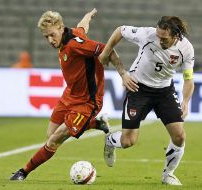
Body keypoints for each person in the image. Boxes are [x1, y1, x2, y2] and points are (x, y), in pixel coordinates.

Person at [10, 8, 120, 180]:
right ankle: (96, 124)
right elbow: (82, 27)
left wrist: (123, 73)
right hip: (69, 95)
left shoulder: (74, 44)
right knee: (50, 136)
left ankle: (23, 172)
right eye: (46, 36)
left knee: (54, 141)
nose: (50, 40)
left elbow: (106, 49)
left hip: (87, 102)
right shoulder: (71, 35)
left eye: (52, 35)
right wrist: (88, 16)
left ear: (61, 28)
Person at [99, 16, 195, 185]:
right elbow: (120, 29)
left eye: (164, 38)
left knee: (179, 136)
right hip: (138, 89)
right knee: (128, 141)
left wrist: (185, 101)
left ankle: (168, 174)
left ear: (176, 36)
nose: (159, 39)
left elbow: (188, 79)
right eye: (158, 35)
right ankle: (110, 140)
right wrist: (106, 51)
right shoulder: (147, 34)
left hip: (165, 91)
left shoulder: (186, 49)